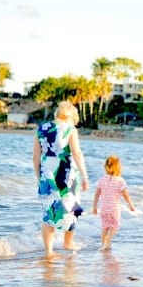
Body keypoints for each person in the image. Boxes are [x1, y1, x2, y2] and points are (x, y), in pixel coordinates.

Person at [33, 101, 90, 255]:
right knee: (72, 208)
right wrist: (85, 176)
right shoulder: (70, 129)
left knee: (48, 211)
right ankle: (68, 242)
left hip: (47, 173)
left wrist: (39, 178)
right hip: (66, 174)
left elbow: (36, 157)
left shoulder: (41, 129)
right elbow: (77, 153)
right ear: (71, 116)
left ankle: (49, 251)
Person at [92, 155, 136, 250]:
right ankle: (108, 239)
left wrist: (94, 207)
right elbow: (125, 195)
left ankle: (104, 245)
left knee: (105, 227)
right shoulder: (120, 181)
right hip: (114, 208)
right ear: (118, 167)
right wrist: (131, 205)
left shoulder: (102, 179)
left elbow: (96, 195)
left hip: (103, 208)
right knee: (115, 225)